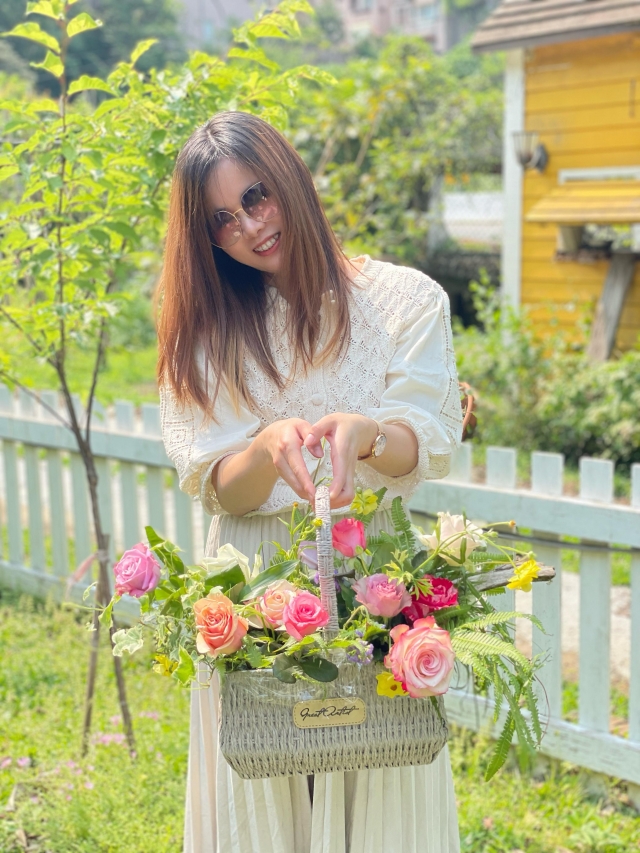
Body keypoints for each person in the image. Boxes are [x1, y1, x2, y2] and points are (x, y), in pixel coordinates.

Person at [157, 110, 463, 853]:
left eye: (258, 196)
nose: (250, 228)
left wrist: (367, 433)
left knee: (380, 792)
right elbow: (222, 489)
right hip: (254, 583)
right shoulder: (209, 328)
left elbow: (421, 445)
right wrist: (264, 447)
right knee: (266, 800)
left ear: (291, 178)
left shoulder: (406, 301)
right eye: (222, 221)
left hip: (375, 577)